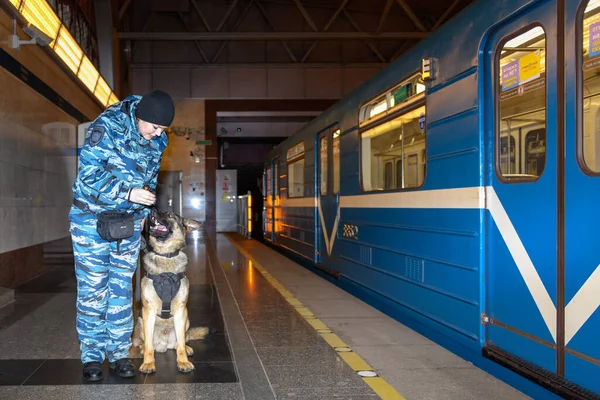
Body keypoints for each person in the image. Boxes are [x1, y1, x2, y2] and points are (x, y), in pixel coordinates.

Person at [69, 90, 174, 382]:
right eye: (154, 127)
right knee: (93, 291)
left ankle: (118, 354)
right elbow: (87, 176)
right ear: (141, 116)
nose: (157, 134)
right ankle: (91, 356)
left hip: (126, 224)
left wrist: (142, 217)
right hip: (91, 220)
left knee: (121, 291)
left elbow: (149, 184)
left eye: (163, 130)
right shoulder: (107, 126)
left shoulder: (158, 140)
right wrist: (126, 192)